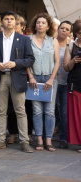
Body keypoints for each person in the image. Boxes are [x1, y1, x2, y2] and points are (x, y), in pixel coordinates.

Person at [0, 11, 34, 153]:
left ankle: (24, 141)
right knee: (0, 110)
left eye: (12, 19)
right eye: (6, 19)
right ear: (2, 22)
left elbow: (30, 59)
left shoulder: (23, 39)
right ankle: (0, 140)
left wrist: (15, 63)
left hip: (17, 77)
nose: (10, 22)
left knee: (20, 110)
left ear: (16, 22)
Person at [27, 13, 60, 152]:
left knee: (50, 111)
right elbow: (26, 60)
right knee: (37, 111)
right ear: (35, 25)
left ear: (48, 26)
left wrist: (52, 78)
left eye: (43, 23)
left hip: (50, 78)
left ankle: (49, 140)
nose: (40, 24)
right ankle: (39, 140)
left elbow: (58, 61)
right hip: (34, 79)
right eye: (38, 22)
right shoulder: (28, 40)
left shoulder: (53, 41)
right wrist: (31, 77)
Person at [63, 19, 81, 152]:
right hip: (75, 84)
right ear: (76, 33)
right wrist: (74, 61)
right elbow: (66, 67)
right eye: (80, 33)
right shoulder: (70, 46)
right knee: (77, 115)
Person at [56, 20, 72, 149]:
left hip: (66, 83)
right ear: (58, 29)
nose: (64, 30)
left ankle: (64, 138)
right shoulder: (51, 43)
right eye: (62, 28)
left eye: (67, 29)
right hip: (52, 82)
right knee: (49, 111)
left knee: (64, 112)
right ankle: (47, 137)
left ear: (70, 32)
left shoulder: (72, 45)